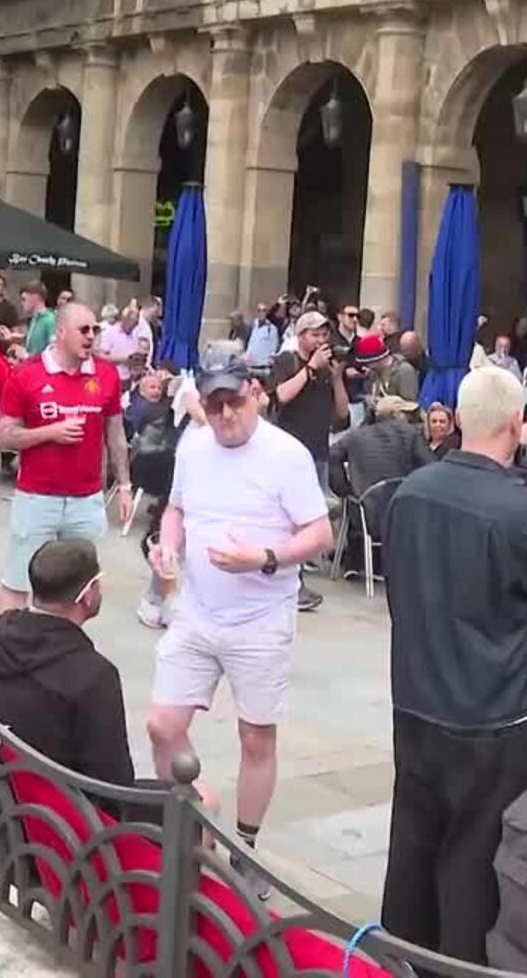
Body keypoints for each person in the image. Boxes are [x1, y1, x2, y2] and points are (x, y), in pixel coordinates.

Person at [380, 365, 527, 964]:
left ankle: (401, 956)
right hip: (490, 716)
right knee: (475, 860)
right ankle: (459, 965)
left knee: (415, 845)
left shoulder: (412, 490)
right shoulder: (517, 507)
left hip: (418, 701)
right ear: (513, 424)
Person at [145, 350, 334, 896]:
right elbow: (176, 508)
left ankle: (246, 850)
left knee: (255, 736)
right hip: (197, 609)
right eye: (214, 403)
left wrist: (265, 558)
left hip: (260, 616)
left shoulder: (286, 455)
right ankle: (196, 807)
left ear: (254, 392)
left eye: (233, 401)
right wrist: (168, 545)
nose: (225, 414)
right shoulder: (195, 445)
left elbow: (318, 534)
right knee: (162, 723)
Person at [0, 539, 155, 818]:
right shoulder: (94, 676)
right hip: (57, 826)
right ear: (87, 595)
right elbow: (113, 784)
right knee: (197, 804)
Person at [0, 303, 132, 613]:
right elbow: (2, 437)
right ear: (60, 332)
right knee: (19, 582)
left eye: (95, 329)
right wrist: (48, 433)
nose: (91, 336)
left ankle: (63, 652)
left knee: (80, 588)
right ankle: (7, 653)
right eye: (83, 329)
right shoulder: (27, 374)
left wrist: (124, 485)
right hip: (37, 497)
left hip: (86, 499)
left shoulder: (106, 374)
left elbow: (116, 436)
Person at [269, 311, 349, 612]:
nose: (321, 340)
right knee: (288, 520)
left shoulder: (327, 369)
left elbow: (342, 413)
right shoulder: (287, 361)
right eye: (315, 334)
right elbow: (282, 395)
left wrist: (337, 376)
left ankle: (295, 580)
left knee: (308, 521)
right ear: (301, 335)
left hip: (317, 453)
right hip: (289, 453)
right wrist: (309, 368)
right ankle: (291, 583)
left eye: (324, 335)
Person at [327, 394, 432, 527]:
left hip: (366, 515)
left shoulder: (356, 436)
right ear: (395, 415)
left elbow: (331, 456)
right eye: (406, 413)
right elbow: (431, 466)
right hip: (404, 513)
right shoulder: (410, 432)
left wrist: (346, 491)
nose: (410, 418)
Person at [19, 281, 56, 355]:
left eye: (24, 299)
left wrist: (26, 356)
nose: (21, 303)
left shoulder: (50, 320)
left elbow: (53, 351)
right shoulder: (35, 318)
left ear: (35, 298)